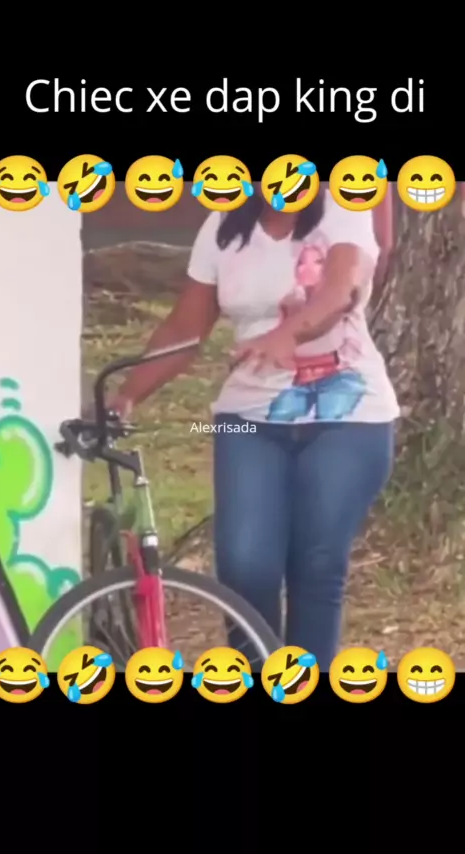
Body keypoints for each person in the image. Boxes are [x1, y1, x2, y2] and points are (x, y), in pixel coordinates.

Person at [109, 184, 399, 669]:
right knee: (245, 568)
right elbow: (184, 330)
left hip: (349, 417)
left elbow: (341, 290)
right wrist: (127, 394)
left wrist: (287, 334)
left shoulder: (343, 207)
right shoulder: (223, 225)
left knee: (317, 565)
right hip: (247, 422)